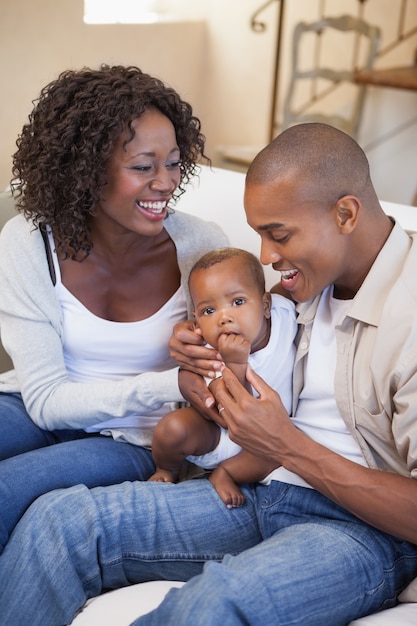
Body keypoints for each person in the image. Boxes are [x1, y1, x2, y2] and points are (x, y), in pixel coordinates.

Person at [1, 122, 417, 626]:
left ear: (345, 213)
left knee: (212, 606)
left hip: (354, 529)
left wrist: (286, 446)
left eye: (277, 234)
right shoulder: (301, 287)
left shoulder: (407, 312)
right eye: (260, 234)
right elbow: (255, 339)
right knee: (58, 523)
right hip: (251, 491)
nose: (265, 256)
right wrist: (201, 343)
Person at [0, 64, 229, 555]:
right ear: (85, 169)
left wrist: (210, 348)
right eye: (144, 167)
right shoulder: (27, 241)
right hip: (37, 408)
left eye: (174, 163)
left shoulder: (200, 246)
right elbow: (44, 400)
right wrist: (169, 381)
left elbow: (246, 352)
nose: (166, 182)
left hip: (133, 438)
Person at [149, 247, 296, 508]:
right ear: (195, 321)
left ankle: (225, 473)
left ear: (265, 305)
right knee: (171, 430)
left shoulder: (285, 313)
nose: (224, 318)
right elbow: (235, 415)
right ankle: (167, 469)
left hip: (269, 442)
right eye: (208, 311)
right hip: (221, 433)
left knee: (288, 450)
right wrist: (235, 363)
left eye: (238, 302)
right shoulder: (208, 355)